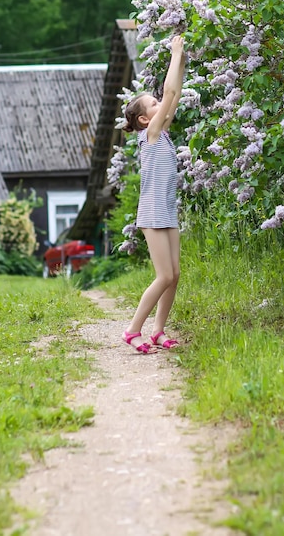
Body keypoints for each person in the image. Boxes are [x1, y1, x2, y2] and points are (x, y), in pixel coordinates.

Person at [121, 35, 185, 353]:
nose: (161, 105)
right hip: (152, 212)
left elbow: (175, 93)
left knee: (174, 275)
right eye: (154, 105)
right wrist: (174, 51)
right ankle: (133, 330)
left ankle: (158, 331)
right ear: (146, 119)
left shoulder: (163, 131)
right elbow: (170, 92)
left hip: (166, 211)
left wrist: (182, 58)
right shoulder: (152, 134)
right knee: (163, 276)